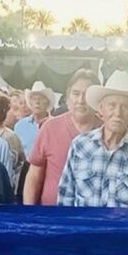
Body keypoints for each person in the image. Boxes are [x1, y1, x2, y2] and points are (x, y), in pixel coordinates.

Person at [57, 72, 128, 208]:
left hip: (125, 229)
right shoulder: (80, 146)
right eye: (112, 105)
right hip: (85, 229)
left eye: (125, 107)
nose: (118, 113)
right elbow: (65, 198)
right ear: (101, 109)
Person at [21, 71, 99, 206]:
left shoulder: (105, 132)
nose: (81, 100)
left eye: (86, 94)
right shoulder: (49, 128)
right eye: (76, 93)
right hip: (51, 217)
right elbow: (34, 175)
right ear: (68, 96)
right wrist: (29, 213)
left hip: (90, 218)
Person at [14, 81, 54, 155]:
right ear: (30, 102)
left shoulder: (56, 125)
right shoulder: (20, 126)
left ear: (47, 102)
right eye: (34, 99)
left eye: (40, 99)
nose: (37, 102)